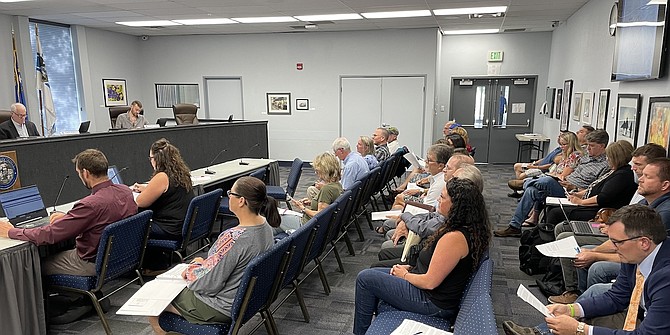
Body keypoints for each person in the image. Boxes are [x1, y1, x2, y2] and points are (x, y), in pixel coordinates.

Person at [503, 204, 670, 335]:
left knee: (583, 327)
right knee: (585, 317)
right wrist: (571, 309)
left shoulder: (665, 277)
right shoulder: (635, 255)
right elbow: (616, 297)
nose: (612, 247)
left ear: (644, 243)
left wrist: (581, 330)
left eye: (617, 242)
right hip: (645, 320)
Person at [354, 178, 491, 335]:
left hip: (432, 303)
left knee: (366, 278)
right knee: (375, 273)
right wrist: (411, 268)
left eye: (443, 197)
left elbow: (430, 282)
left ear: (456, 205)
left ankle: (360, 332)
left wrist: (405, 275)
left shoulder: (455, 238)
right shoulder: (460, 227)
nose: (438, 200)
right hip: (428, 290)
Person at [148, 176, 276, 334]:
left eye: (231, 194)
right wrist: (207, 263)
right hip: (246, 301)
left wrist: (192, 269)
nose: (228, 197)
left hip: (220, 306)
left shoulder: (232, 239)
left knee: (152, 303)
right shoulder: (266, 226)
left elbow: (207, 284)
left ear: (241, 201)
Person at [550, 156, 670, 305]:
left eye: (647, 176)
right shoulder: (645, 201)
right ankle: (578, 296)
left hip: (642, 264)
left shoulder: (664, 213)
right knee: (581, 248)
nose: (640, 179)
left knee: (597, 268)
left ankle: (581, 303)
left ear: (664, 185)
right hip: (626, 247)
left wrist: (595, 254)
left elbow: (637, 249)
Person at [0, 149, 137, 276]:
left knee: (37, 265)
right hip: (120, 256)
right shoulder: (125, 191)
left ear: (85, 173)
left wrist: (10, 231)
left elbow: (49, 235)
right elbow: (101, 217)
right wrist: (69, 218)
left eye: (78, 173)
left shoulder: (89, 205)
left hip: (92, 263)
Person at [495, 130, 610, 237]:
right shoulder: (585, 157)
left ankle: (525, 183)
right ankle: (514, 226)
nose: (588, 148)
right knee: (532, 191)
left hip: (575, 193)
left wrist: (574, 187)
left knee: (547, 180)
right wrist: (564, 179)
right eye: (588, 145)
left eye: (592, 146)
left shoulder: (605, 166)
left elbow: (595, 188)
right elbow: (567, 169)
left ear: (602, 146)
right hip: (564, 185)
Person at [373, 165, 483, 267]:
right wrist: (406, 219)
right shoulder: (456, 210)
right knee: (385, 250)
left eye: (454, 177)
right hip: (422, 248)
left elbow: (425, 227)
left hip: (421, 253)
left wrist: (406, 217)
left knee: (383, 253)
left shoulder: (454, 221)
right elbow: (431, 214)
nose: (445, 170)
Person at [133, 138, 195, 240]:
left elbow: (140, 202)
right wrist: (147, 189)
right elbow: (169, 193)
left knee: (130, 227)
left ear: (157, 159)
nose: (151, 161)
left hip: (169, 229)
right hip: (182, 226)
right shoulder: (181, 173)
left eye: (151, 158)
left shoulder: (162, 176)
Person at [277, 152, 343, 233]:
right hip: (315, 225)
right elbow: (327, 207)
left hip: (307, 224)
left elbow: (320, 215)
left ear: (325, 171)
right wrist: (311, 203)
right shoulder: (337, 185)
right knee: (276, 224)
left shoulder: (326, 189)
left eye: (318, 171)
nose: (316, 173)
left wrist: (302, 208)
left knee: (274, 217)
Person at [389, 144, 449, 211]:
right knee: (398, 207)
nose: (426, 161)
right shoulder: (437, 177)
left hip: (427, 212)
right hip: (426, 202)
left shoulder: (440, 183)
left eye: (429, 160)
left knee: (399, 198)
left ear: (440, 166)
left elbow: (429, 209)